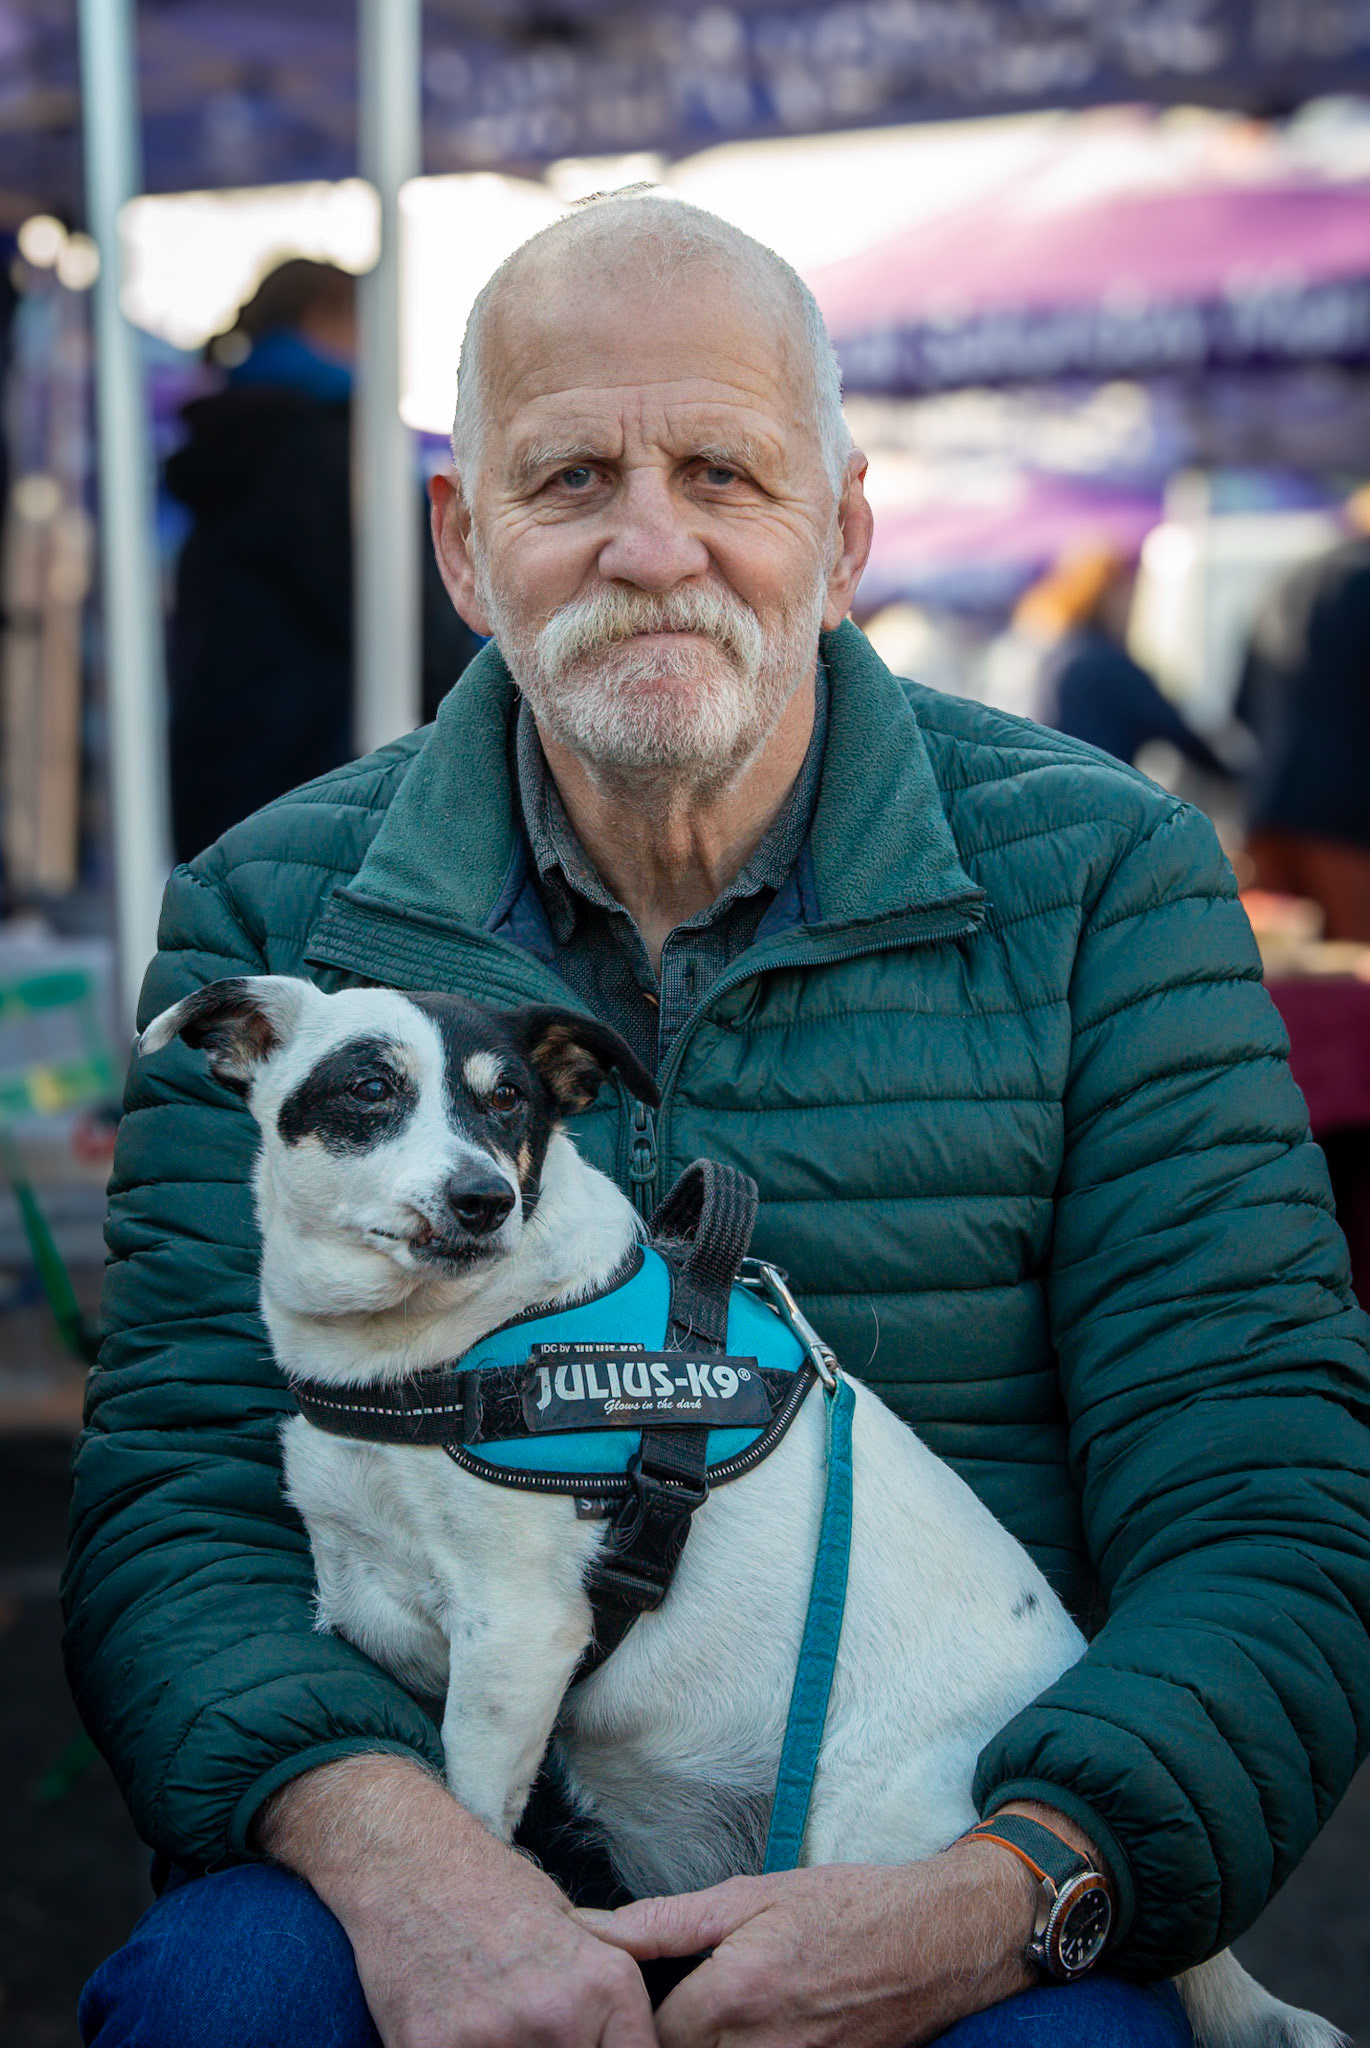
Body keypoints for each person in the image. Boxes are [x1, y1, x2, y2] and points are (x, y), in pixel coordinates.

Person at [67, 194, 1370, 2048]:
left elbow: (1266, 1498)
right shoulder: (277, 911)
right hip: (410, 1804)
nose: (650, 541)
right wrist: (407, 1858)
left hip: (947, 1830)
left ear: (841, 532)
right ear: (464, 541)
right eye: (571, 473)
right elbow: (184, 1503)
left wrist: (1020, 1875)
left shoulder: (1104, 878)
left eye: (725, 472)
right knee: (230, 1997)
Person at [165, 258, 482, 861]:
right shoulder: (330, 443)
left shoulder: (228, 427)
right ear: (329, 318)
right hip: (324, 780)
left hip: (224, 773)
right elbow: (408, 617)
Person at [1237, 495, 1370, 942]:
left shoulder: (1287, 579)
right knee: (1355, 970)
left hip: (1269, 802)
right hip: (1347, 818)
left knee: (1279, 976)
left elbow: (1241, 704)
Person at [1023, 549, 1232, 779]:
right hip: (1100, 791)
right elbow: (1171, 726)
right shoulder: (1105, 661)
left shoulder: (1056, 653)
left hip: (1056, 788)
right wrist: (1230, 774)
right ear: (1109, 595)